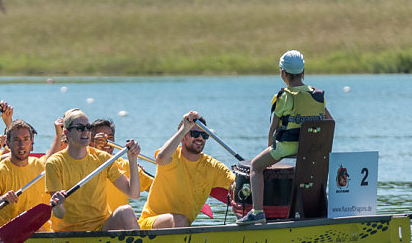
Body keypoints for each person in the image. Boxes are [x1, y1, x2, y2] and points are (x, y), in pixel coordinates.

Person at [238, 50, 332, 225]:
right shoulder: (318, 96)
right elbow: (330, 122)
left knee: (255, 166)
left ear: (283, 72)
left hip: (286, 147)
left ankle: (257, 212)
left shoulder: (283, 96)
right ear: (303, 71)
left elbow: (273, 130)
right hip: (312, 150)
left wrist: (270, 148)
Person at [46, 108, 141, 232]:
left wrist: (133, 159)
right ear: (67, 132)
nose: (86, 131)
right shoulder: (54, 163)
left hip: (100, 228)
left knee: (126, 211)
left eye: (88, 127)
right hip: (69, 233)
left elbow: (133, 193)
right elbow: (60, 214)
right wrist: (58, 205)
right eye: (80, 128)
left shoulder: (103, 158)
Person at [139, 112, 235, 229]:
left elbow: (236, 183)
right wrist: (185, 127)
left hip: (180, 228)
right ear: (183, 136)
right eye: (195, 133)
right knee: (180, 220)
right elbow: (161, 158)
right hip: (149, 225)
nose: (200, 138)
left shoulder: (212, 166)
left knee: (181, 221)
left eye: (204, 135)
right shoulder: (172, 156)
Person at [0, 119, 50, 230]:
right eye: (17, 140)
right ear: (8, 143)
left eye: (26, 139)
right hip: (10, 237)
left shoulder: (40, 166)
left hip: (39, 236)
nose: (22, 145)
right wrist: (1, 199)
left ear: (31, 142)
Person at [89, 119, 154, 214]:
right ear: (90, 142)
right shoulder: (83, 161)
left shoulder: (126, 165)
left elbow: (155, 188)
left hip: (121, 221)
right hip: (93, 223)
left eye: (110, 137)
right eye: (100, 138)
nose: (106, 142)